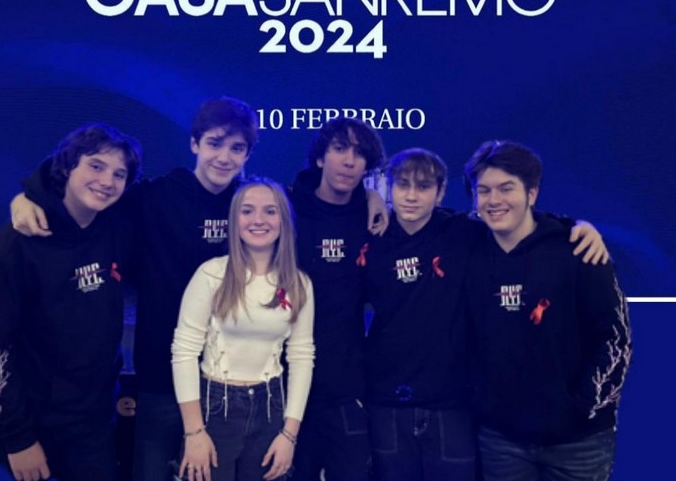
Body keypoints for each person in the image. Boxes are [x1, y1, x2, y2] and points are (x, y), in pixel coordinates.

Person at [12, 97, 259, 480]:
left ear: (247, 154)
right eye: (214, 143)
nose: (224, 157)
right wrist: (28, 196)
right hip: (160, 376)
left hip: (230, 383)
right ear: (194, 143)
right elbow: (84, 192)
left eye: (237, 148)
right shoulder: (154, 196)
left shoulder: (255, 206)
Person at [359, 148, 608, 481]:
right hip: (386, 399)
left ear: (441, 191)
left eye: (424, 186)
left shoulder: (463, 231)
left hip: (453, 404)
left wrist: (576, 226)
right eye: (402, 185)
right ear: (389, 187)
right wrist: (368, 196)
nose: (412, 196)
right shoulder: (370, 237)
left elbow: (525, 221)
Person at [0, 123, 142, 481]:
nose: (106, 181)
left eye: (119, 174)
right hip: (32, 427)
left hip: (93, 422)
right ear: (67, 166)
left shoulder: (114, 226)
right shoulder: (11, 248)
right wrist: (18, 439)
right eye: (95, 166)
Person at [462, 140, 632, 481]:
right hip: (501, 439)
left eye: (506, 188)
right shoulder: (467, 249)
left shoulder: (579, 250)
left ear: (532, 193)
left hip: (579, 442)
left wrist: (581, 407)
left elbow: (615, 339)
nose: (494, 200)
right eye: (483, 190)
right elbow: (419, 218)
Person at [171, 178, 315, 481]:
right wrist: (194, 432)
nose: (258, 220)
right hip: (214, 409)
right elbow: (183, 353)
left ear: (284, 221)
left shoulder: (299, 283)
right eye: (247, 211)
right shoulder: (211, 274)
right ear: (234, 220)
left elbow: (302, 357)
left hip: (270, 408)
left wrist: (289, 435)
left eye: (270, 211)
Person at [287, 117, 385, 481]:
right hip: (286, 386)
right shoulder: (287, 209)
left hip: (347, 388)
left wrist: (374, 197)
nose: (349, 161)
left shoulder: (373, 217)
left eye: (360, 154)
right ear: (319, 157)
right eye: (340, 149)